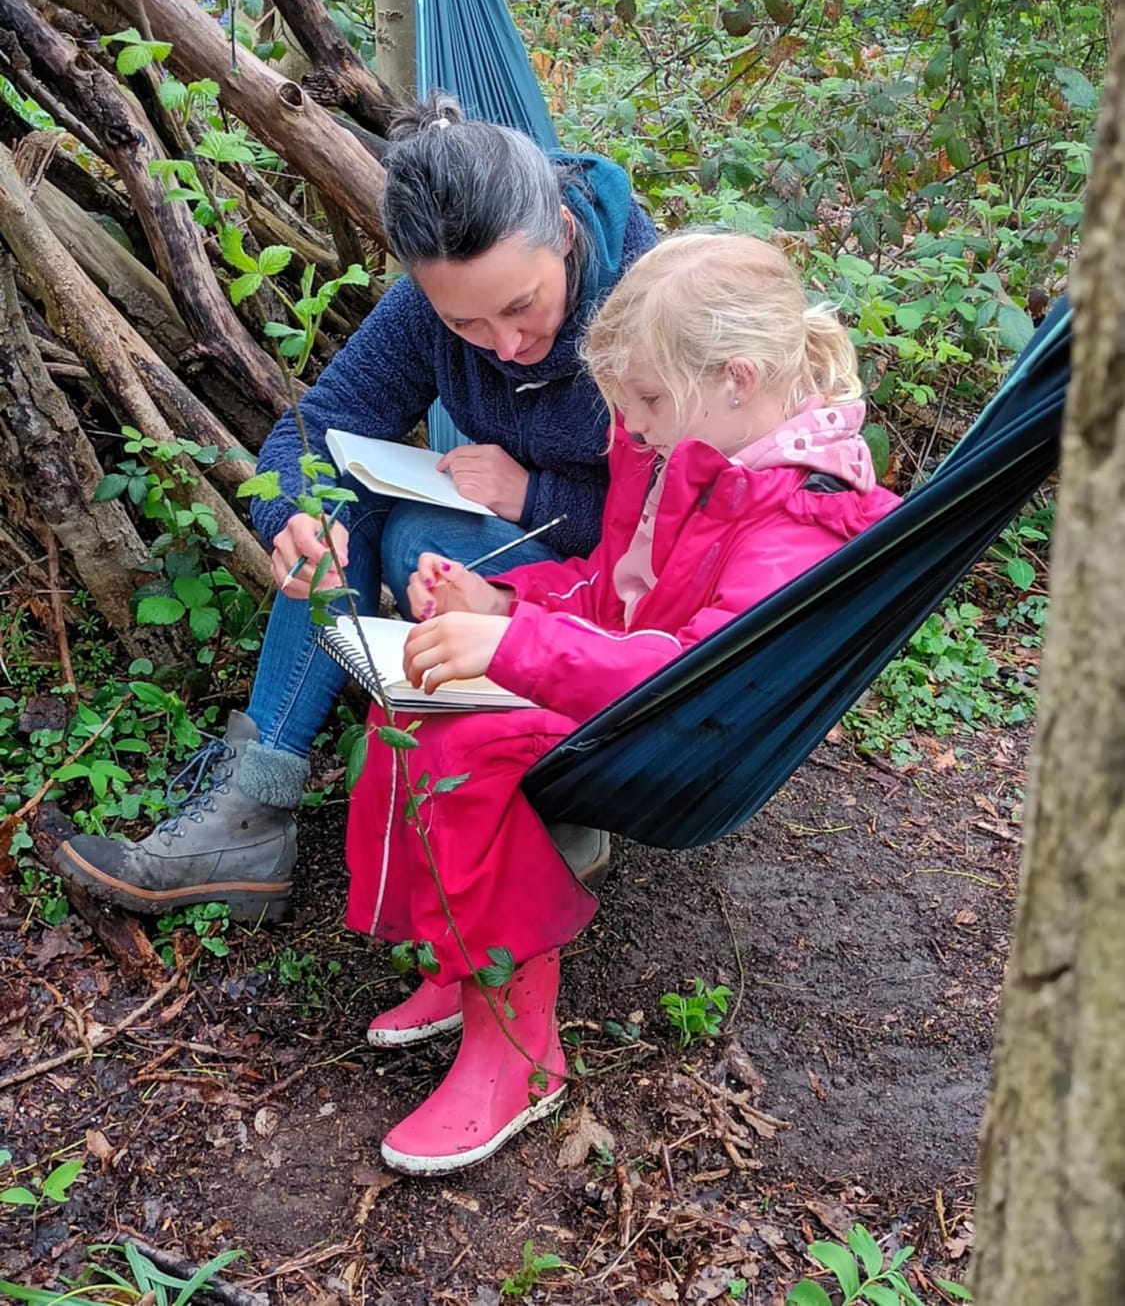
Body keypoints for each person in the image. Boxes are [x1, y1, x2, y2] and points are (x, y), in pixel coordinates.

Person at [344, 232, 902, 1175]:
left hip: (679, 728)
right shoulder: (676, 448)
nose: (630, 425)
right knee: (410, 700)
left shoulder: (799, 511)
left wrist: (517, 650)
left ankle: (518, 1055)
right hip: (618, 682)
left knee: (462, 747)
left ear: (735, 377)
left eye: (644, 399)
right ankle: (458, 959)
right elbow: (616, 591)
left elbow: (699, 671)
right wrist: (506, 603)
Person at [54, 95, 657, 920]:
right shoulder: (426, 312)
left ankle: (552, 798)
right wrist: (294, 518)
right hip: (512, 579)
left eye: (521, 307)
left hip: (620, 618)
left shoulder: (649, 301)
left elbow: (688, 523)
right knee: (349, 504)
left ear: (561, 228)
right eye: (466, 323)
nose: (505, 345)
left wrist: (533, 493)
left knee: (416, 533)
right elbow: (316, 428)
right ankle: (253, 813)